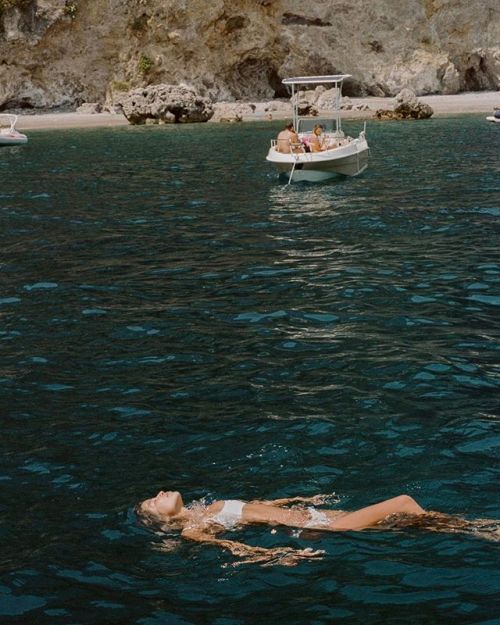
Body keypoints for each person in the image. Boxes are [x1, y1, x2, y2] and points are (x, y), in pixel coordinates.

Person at [135, 490, 497, 566]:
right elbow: (235, 550)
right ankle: (479, 530)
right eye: (154, 501)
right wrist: (279, 557)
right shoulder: (193, 530)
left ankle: (481, 530)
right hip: (330, 526)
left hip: (313, 518)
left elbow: (263, 505)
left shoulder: (211, 507)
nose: (159, 493)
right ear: (162, 519)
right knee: (403, 504)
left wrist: (305, 498)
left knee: (405, 523)